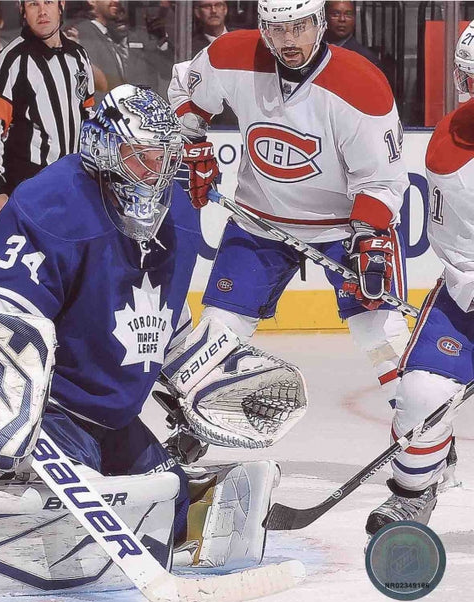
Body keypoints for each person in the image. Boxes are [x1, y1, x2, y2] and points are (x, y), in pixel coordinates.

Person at [0, 86, 299, 602]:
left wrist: (195, 374)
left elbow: (160, 312)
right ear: (102, 149)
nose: (156, 173)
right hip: (40, 406)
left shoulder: (180, 211)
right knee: (61, 529)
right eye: (140, 156)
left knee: (164, 499)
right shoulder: (55, 203)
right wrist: (14, 411)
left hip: (105, 413)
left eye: (165, 158)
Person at [168, 0, 411, 404]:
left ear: (320, 23)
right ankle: (197, 427)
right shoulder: (231, 55)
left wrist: (370, 238)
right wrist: (192, 140)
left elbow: (382, 178)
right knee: (217, 335)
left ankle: (419, 429)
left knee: (382, 336)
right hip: (259, 220)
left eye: (299, 27)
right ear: (263, 28)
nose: (289, 40)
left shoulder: (361, 84)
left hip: (341, 226)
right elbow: (185, 87)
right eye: (277, 29)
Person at [365, 21, 474, 536]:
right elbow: (460, 256)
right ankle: (414, 492)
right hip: (467, 298)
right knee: (422, 394)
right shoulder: (452, 150)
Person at [0, 0, 95, 221]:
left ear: (61, 5)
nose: (42, 11)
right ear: (23, 11)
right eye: (33, 4)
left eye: (48, 2)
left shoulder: (78, 56)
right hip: (29, 189)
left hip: (75, 187)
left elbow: (89, 119)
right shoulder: (11, 59)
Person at [72, 0, 126, 102]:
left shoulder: (108, 35)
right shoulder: (84, 34)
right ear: (92, 1)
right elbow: (91, 84)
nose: (116, 1)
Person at [323, 1, 380, 70]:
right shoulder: (315, 50)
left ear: (354, 18)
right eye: (335, 14)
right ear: (324, 17)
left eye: (348, 15)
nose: (342, 19)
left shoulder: (366, 58)